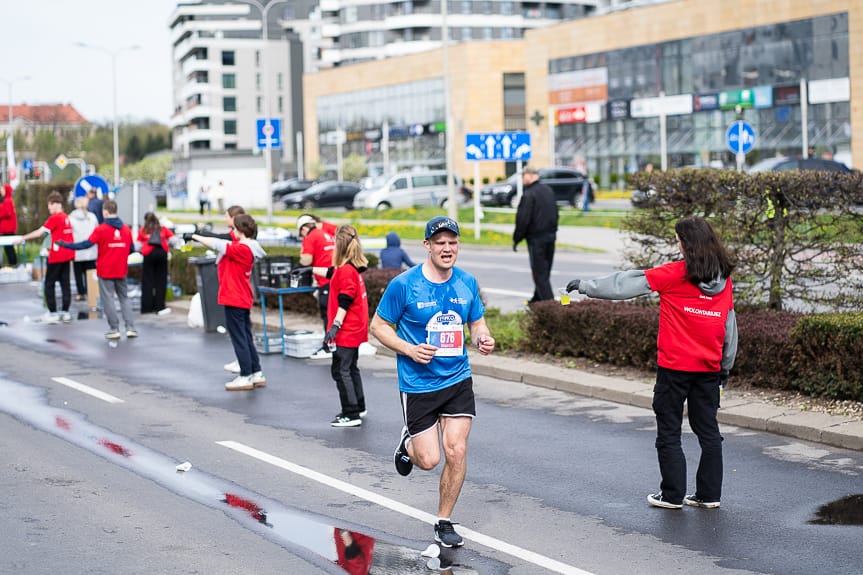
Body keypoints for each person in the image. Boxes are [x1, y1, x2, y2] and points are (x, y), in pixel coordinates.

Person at [565, 216, 737, 510]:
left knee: (669, 431)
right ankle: (709, 495)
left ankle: (671, 495)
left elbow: (626, 284)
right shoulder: (724, 280)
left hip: (674, 370)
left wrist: (586, 286)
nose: (677, 245)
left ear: (688, 245)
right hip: (709, 370)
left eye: (679, 240)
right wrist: (724, 369)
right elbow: (729, 327)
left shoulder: (675, 273)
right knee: (708, 432)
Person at [370, 216, 496, 548]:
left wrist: (483, 337)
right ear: (427, 246)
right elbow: (379, 326)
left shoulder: (467, 282)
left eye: (452, 242)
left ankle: (444, 520)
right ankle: (408, 445)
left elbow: (477, 322)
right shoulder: (404, 285)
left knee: (456, 449)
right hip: (418, 383)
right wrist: (409, 349)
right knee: (429, 460)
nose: (446, 248)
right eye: (439, 242)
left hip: (457, 378)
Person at [190, 214, 267, 391]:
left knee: (239, 338)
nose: (232, 232)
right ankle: (256, 372)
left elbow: (218, 245)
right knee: (245, 337)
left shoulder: (243, 248)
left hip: (235, 297)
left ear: (240, 231)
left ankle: (246, 375)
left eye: (234, 229)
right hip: (241, 297)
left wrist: (195, 236)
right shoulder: (250, 247)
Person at [57, 200, 137, 338]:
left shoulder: (101, 229)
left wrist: (66, 245)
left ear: (105, 212)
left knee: (108, 299)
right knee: (124, 298)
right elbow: (132, 249)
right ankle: (130, 328)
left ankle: (114, 329)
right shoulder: (125, 229)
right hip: (121, 269)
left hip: (105, 270)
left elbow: (86, 244)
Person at [315, 224, 369, 427]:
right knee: (351, 368)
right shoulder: (350, 267)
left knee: (340, 370)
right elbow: (332, 273)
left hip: (347, 329)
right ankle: (359, 406)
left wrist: (334, 327)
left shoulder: (346, 271)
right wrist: (309, 269)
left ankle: (351, 413)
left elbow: (344, 301)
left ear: (339, 245)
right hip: (355, 327)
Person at [15, 192, 74, 323]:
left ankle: (52, 312)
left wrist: (23, 238)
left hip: (57, 256)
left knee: (49, 284)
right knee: (65, 284)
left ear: (55, 204)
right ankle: (65, 312)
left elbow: (40, 232)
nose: (48, 208)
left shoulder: (55, 218)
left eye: (49, 205)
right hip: (67, 254)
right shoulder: (66, 217)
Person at [512, 166, 558, 303]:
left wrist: (517, 238)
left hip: (536, 239)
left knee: (539, 274)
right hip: (551, 236)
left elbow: (523, 219)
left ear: (531, 175)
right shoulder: (548, 190)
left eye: (523, 176)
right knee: (545, 272)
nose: (522, 179)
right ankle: (536, 300)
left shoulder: (529, 194)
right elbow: (555, 213)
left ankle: (550, 307)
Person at [298, 213, 336, 359]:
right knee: (335, 314)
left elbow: (306, 260)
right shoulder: (325, 234)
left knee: (327, 314)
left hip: (326, 281)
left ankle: (328, 347)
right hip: (336, 277)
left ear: (304, 228)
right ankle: (335, 345)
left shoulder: (310, 237)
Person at [137, 212, 177, 315]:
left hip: (148, 255)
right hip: (161, 254)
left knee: (147, 282)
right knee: (161, 281)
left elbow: (137, 245)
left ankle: (147, 308)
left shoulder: (143, 229)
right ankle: (159, 306)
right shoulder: (162, 228)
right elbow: (174, 240)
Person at [69, 197, 98, 302]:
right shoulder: (92, 217)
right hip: (91, 250)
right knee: (90, 273)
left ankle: (81, 293)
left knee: (78, 274)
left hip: (77, 251)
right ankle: (91, 292)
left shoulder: (71, 218)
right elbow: (97, 231)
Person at [0, 183, 18, 267]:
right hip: (8, 229)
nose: (1, 191)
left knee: (8, 248)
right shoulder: (8, 200)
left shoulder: (7, 200)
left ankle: (13, 263)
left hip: (8, 229)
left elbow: (7, 213)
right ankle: (13, 263)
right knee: (9, 248)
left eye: (3, 190)